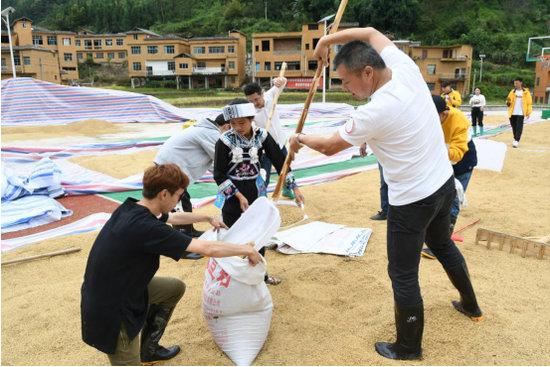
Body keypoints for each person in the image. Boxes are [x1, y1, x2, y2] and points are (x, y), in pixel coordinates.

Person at [289, 27, 483, 360]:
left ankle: (408, 346)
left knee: (403, 273)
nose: (346, 90)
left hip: (412, 200)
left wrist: (300, 137)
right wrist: (326, 41)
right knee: (441, 243)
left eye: (347, 82)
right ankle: (470, 304)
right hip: (443, 185)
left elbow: (329, 147)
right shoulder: (405, 68)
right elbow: (370, 32)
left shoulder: (375, 111)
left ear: (368, 72)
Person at [81, 164, 262, 366]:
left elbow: (172, 217)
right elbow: (207, 248)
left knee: (173, 289)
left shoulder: (131, 208)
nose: (179, 201)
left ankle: (148, 350)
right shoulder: (147, 228)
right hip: (113, 312)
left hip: (120, 288)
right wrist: (247, 250)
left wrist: (207, 217)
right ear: (164, 194)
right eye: (178, 196)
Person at [214, 99, 304, 285]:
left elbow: (281, 163)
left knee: (259, 236)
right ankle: (235, 279)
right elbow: (219, 175)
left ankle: (260, 276)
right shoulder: (224, 141)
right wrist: (238, 196)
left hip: (256, 193)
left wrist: (294, 187)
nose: (237, 127)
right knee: (234, 236)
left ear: (251, 119)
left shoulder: (262, 136)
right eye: (233, 123)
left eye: (242, 123)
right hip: (233, 196)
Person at [154, 114, 231, 238]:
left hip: (171, 164)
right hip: (171, 166)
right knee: (177, 201)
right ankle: (182, 235)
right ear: (227, 126)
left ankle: (188, 230)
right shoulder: (212, 134)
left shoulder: (204, 129)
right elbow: (220, 161)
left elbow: (215, 164)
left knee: (183, 199)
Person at [422, 96, 478, 259]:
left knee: (452, 200)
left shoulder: (458, 120)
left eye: (434, 117)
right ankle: (432, 235)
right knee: (435, 197)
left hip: (461, 162)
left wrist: (435, 151)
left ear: (444, 113)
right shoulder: (427, 118)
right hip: (440, 160)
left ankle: (440, 245)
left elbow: (457, 154)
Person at [243, 79, 295, 199]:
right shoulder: (249, 111)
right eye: (250, 101)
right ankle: (262, 197)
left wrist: (279, 80)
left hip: (280, 142)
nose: (255, 103)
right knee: (263, 175)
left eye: (256, 99)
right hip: (265, 148)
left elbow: (283, 83)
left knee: (285, 169)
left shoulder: (270, 96)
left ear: (262, 93)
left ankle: (287, 189)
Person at [506, 78, 533, 148]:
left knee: (519, 127)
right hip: (512, 112)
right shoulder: (512, 92)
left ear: (521, 83)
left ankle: (517, 141)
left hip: (521, 112)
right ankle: (515, 138)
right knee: (514, 126)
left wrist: (528, 112)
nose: (515, 84)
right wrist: (508, 103)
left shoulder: (526, 92)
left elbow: (529, 103)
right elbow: (508, 100)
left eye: (517, 83)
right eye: (515, 83)